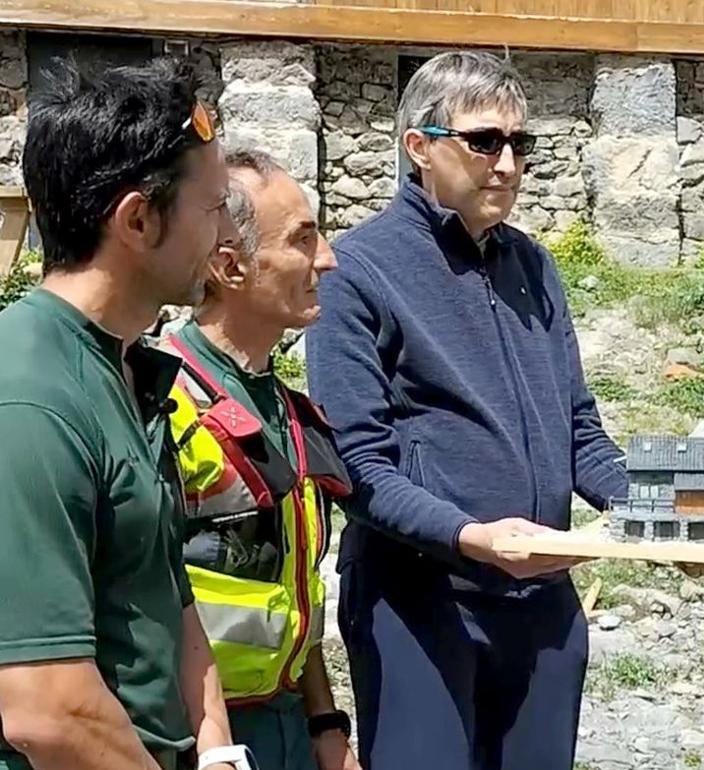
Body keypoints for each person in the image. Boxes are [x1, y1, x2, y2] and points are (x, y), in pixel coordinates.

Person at [305, 50, 628, 770]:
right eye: (485, 141)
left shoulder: (535, 266)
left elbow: (578, 426)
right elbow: (354, 465)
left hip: (543, 602)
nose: (507, 164)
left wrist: (664, 510)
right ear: (418, 147)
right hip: (419, 604)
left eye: (521, 145)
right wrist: (472, 535)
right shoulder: (357, 271)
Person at [0, 57, 249, 770]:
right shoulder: (31, 398)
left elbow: (165, 590)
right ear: (138, 219)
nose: (228, 232)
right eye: (214, 207)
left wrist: (216, 750)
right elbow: (48, 710)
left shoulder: (122, 368)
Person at [161, 147, 360, 770]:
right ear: (230, 267)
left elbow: (289, 587)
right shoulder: (161, 403)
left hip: (285, 727)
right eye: (302, 239)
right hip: (191, 738)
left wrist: (326, 724)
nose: (325, 258)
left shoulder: (283, 404)